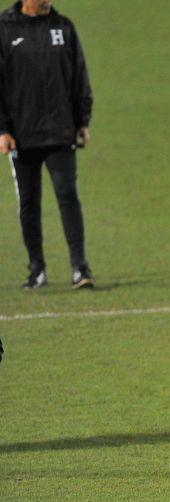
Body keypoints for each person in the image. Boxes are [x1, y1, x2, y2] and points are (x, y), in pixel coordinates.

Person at [0, 0, 94, 290]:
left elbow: (78, 75)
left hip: (59, 130)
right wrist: (2, 129)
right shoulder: (4, 29)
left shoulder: (63, 27)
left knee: (67, 195)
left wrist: (82, 120)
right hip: (22, 133)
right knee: (29, 201)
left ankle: (80, 267)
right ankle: (36, 268)